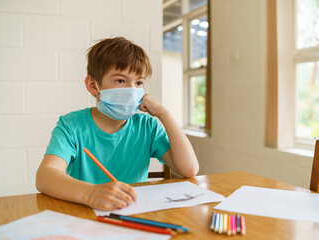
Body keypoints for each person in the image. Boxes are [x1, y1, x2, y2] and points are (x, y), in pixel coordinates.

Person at [36, 37, 199, 211]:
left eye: (138, 83)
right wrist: (91, 193)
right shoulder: (71, 126)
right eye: (120, 81)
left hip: (133, 212)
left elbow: (189, 169)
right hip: (85, 213)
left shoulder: (147, 126)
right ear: (93, 85)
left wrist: (164, 114)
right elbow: (44, 177)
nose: (131, 90)